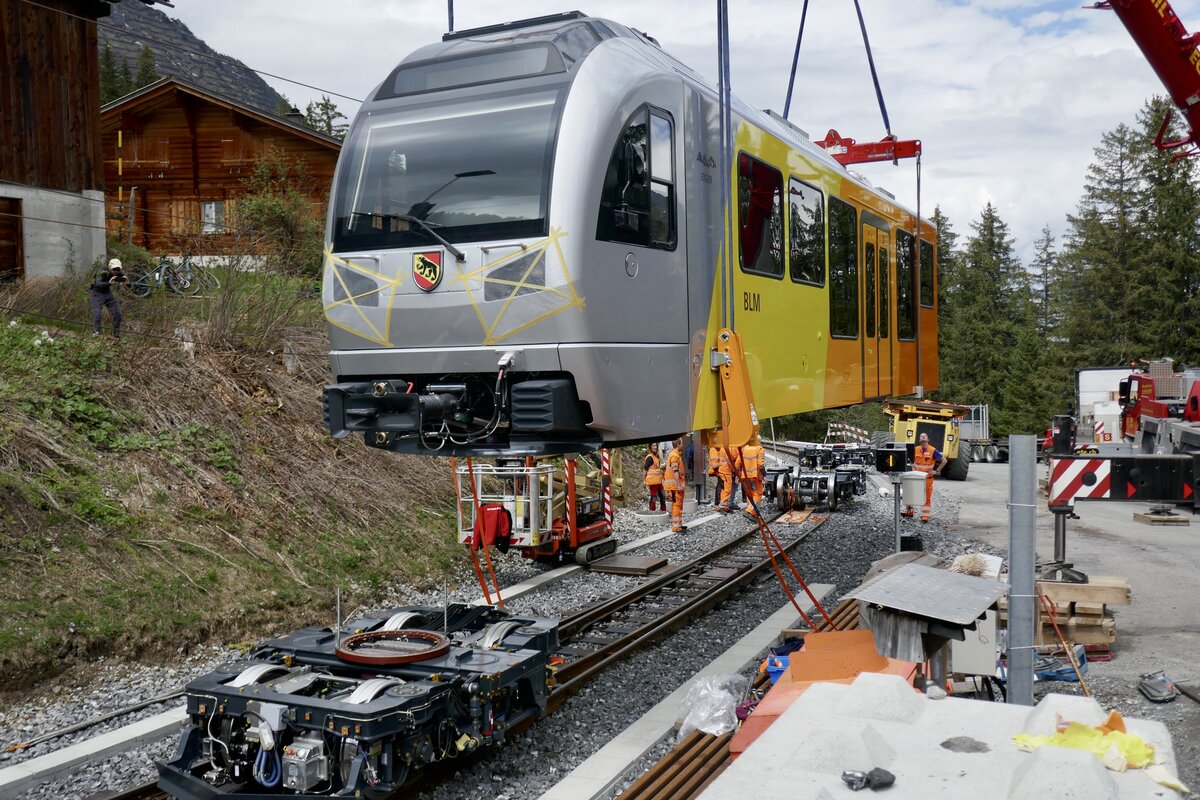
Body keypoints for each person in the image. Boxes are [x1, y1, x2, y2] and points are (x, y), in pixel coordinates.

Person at [904, 432, 948, 523]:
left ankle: (924, 517)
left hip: (927, 478)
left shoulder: (933, 450)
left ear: (927, 441)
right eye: (922, 440)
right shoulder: (915, 450)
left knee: (926, 498)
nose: (923, 442)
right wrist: (912, 468)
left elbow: (944, 460)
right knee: (910, 494)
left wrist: (937, 470)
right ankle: (909, 513)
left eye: (925, 440)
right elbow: (910, 461)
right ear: (920, 441)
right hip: (916, 478)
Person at [89, 258, 130, 338]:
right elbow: (97, 283)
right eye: (114, 269)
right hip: (96, 293)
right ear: (110, 267)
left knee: (117, 315)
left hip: (107, 293)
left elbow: (128, 284)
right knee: (97, 314)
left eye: (118, 269)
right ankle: (96, 334)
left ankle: (116, 335)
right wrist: (109, 283)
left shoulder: (119, 272)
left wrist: (128, 283)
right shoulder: (102, 270)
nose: (116, 271)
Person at [663, 437, 687, 533]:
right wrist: (679, 485)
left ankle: (678, 525)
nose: (683, 445)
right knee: (677, 506)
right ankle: (676, 527)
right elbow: (675, 471)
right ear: (678, 444)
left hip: (674, 485)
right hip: (675, 486)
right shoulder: (674, 456)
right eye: (682, 443)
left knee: (678, 505)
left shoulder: (675, 455)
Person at [741, 441, 765, 516]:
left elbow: (738, 463)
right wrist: (764, 475)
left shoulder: (744, 449)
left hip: (744, 476)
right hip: (754, 476)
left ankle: (752, 512)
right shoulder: (759, 449)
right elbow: (760, 464)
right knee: (757, 494)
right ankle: (750, 511)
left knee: (750, 494)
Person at [643, 444, 666, 512]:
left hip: (658, 480)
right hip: (653, 481)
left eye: (655, 445)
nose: (655, 447)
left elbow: (656, 468)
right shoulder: (650, 457)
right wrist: (643, 480)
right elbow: (645, 469)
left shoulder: (655, 457)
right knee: (654, 497)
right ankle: (652, 511)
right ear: (650, 447)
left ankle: (663, 510)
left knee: (662, 496)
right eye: (653, 446)